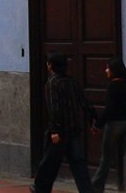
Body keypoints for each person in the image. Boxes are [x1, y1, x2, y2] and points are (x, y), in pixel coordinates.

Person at [32, 51, 94, 193]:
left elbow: (54, 108)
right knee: (78, 163)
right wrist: (92, 118)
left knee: (49, 163)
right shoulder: (73, 82)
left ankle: (41, 189)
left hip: (60, 131)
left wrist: (54, 130)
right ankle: (86, 190)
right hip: (73, 129)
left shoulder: (52, 83)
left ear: (51, 66)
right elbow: (84, 102)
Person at [91, 58, 126, 193]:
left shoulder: (113, 86)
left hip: (115, 125)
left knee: (106, 159)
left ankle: (96, 187)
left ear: (114, 70)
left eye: (108, 68)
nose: (106, 70)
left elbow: (108, 109)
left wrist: (97, 125)